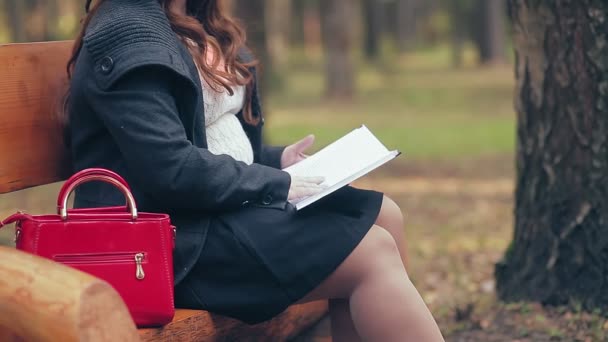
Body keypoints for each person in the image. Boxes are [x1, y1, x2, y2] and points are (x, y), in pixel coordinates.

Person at [67, 0, 444, 341]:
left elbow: (206, 140)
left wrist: (275, 161)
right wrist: (277, 183)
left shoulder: (195, 18)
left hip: (213, 210)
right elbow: (172, 169)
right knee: (371, 253)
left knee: (384, 215)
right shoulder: (128, 35)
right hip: (168, 241)